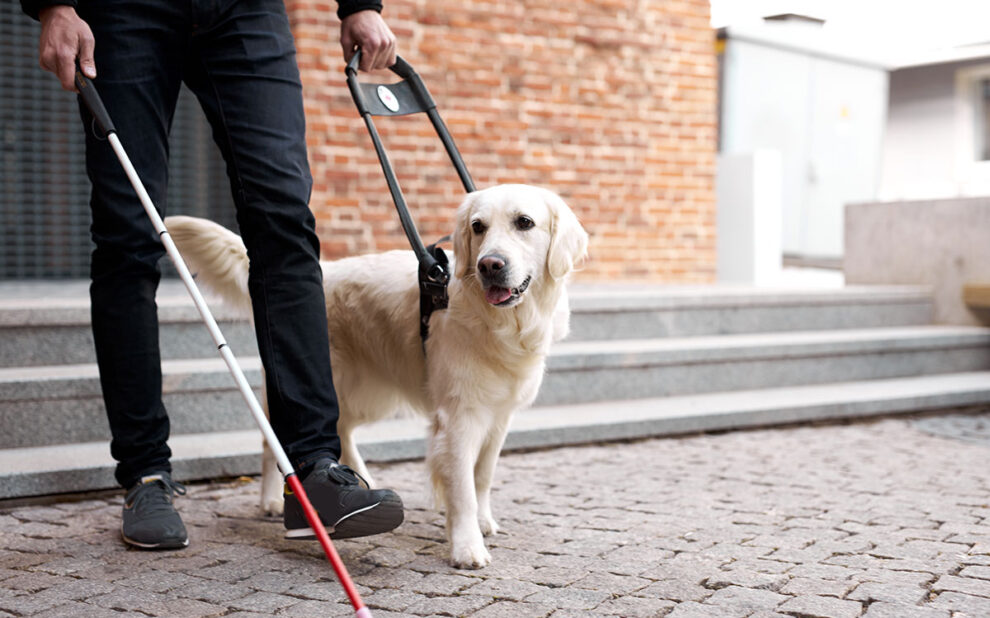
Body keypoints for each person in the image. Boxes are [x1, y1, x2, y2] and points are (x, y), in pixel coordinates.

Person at [22, 0, 404, 549]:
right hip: (124, 12)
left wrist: (359, 4)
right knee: (128, 233)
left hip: (246, 13)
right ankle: (145, 474)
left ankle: (314, 472)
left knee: (285, 225)